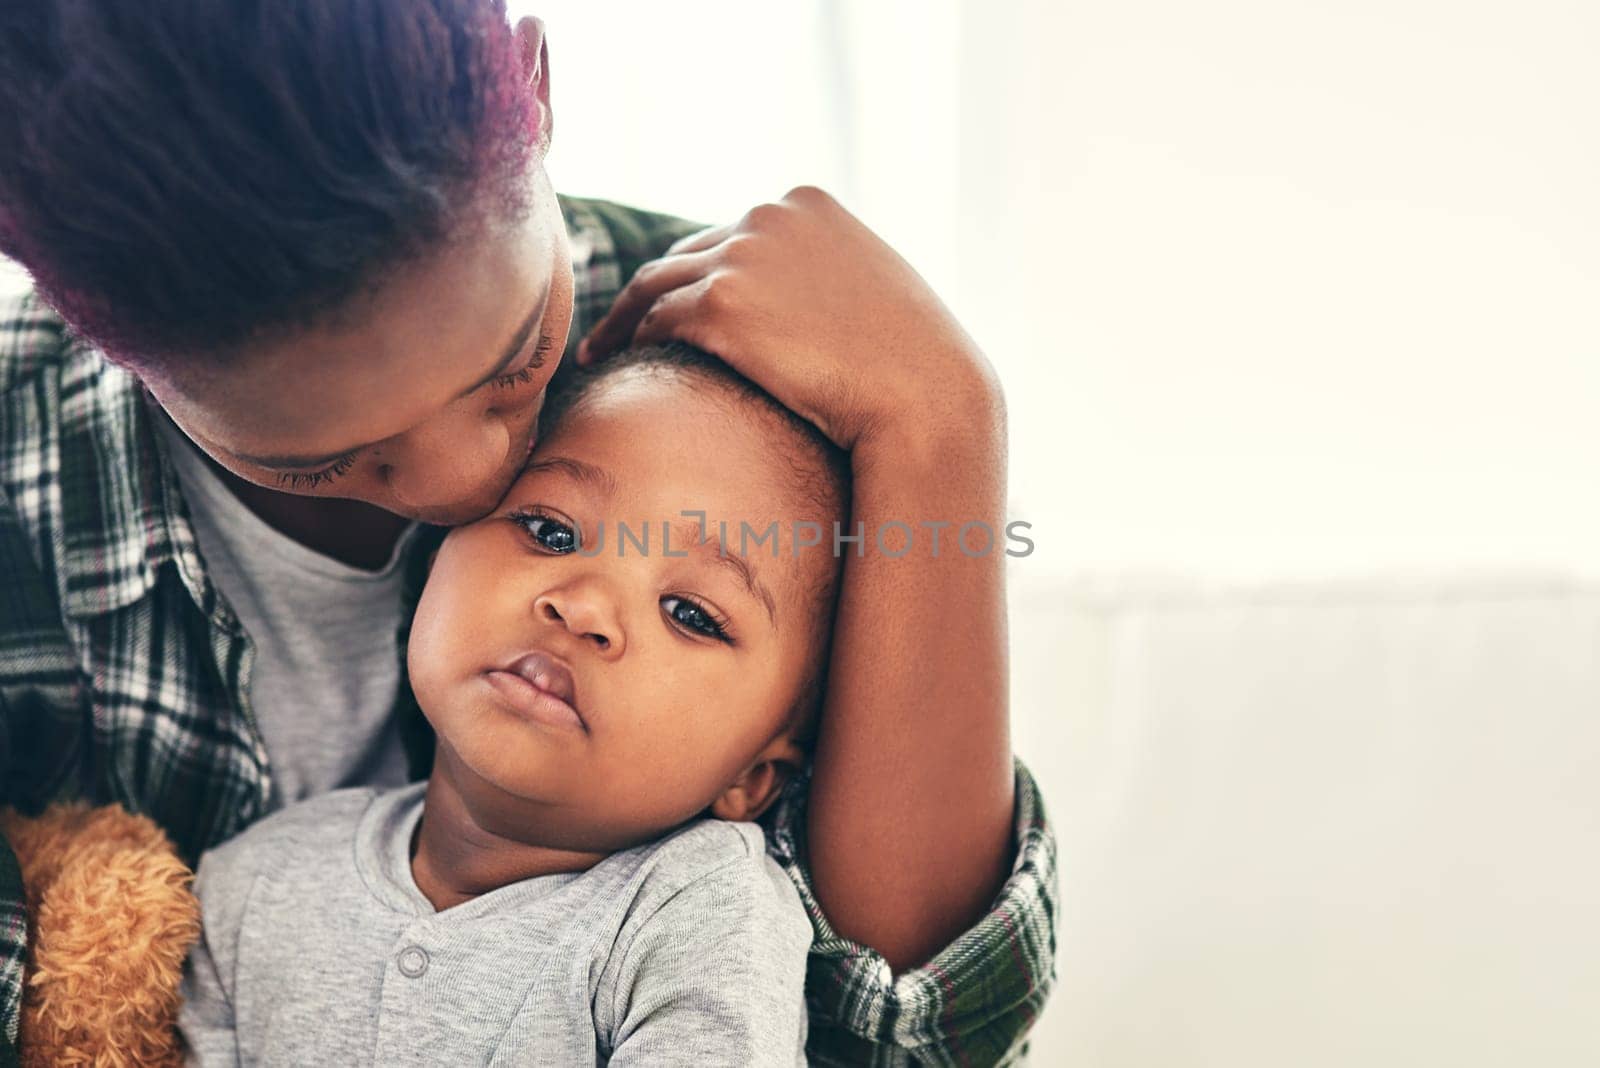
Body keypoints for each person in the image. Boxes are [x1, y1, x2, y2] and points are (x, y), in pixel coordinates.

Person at [0, 3, 1056, 1064]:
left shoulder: (745, 386)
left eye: (516, 363)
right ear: (92, 333)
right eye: (325, 457)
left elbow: (906, 1041)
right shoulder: (23, 471)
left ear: (535, 87)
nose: (474, 483)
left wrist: (942, 419)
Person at [179, 345, 845, 1065]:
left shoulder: (701, 912)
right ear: (434, 559)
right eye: (552, 531)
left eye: (689, 612)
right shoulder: (253, 884)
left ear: (752, 777)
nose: (583, 604)